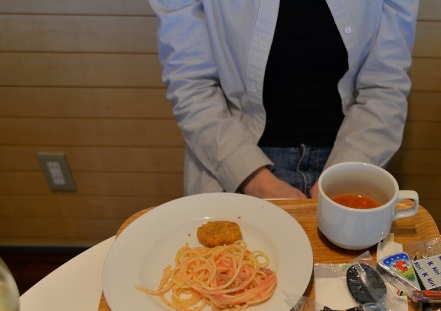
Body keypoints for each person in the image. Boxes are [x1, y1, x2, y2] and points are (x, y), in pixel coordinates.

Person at [149, 0, 419, 199]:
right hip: (236, 154)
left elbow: (385, 83)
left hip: (353, 148)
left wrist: (343, 177)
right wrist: (257, 182)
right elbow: (192, 83)